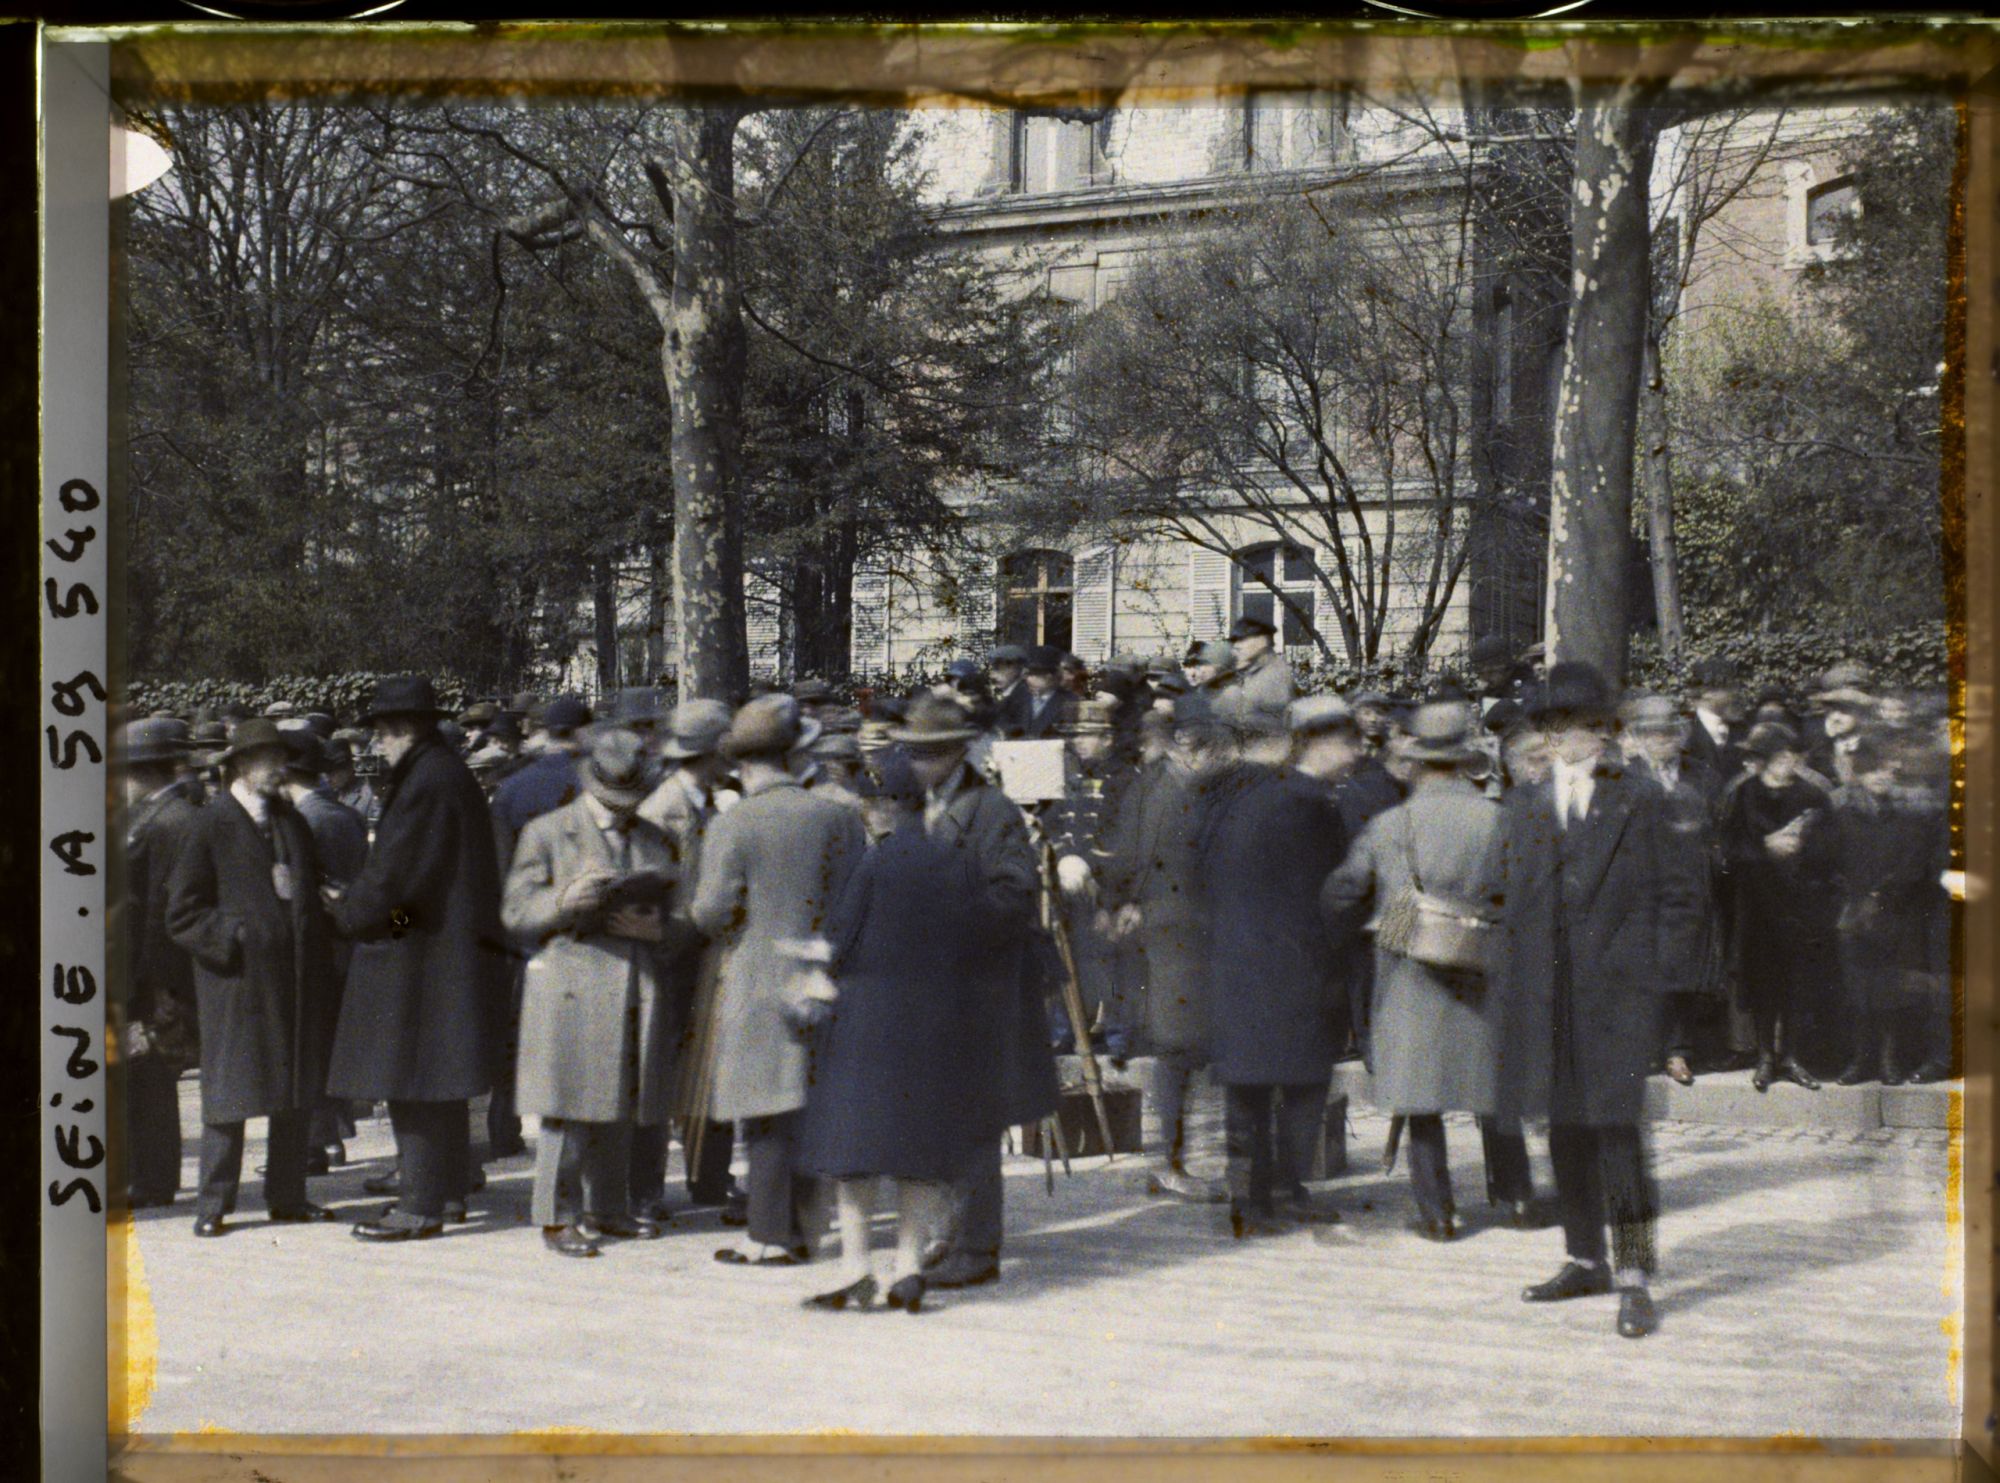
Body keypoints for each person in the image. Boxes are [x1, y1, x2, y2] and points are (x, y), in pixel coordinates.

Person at [1492, 662, 1699, 1341]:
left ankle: (1635, 1276)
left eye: (1572, 725)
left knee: (1618, 1139)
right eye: (1549, 725)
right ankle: (1585, 1257)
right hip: (1545, 1004)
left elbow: (1679, 901)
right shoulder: (1523, 805)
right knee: (1565, 1134)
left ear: (1603, 731)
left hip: (1618, 999)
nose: (1559, 738)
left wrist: (1660, 1001)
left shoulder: (1640, 798)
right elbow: (1505, 903)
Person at [795, 754, 993, 1314]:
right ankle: (908, 1267)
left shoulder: (876, 862)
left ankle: (856, 1268)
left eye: (869, 801)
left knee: (854, 1150)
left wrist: (810, 965)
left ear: (885, 807)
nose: (864, 810)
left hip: (868, 1021)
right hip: (936, 1023)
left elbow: (840, 938)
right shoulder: (955, 860)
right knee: (918, 1150)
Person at [324, 676, 512, 1242]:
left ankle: (420, 1205)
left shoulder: (425, 781)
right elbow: (432, 888)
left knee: (412, 1080)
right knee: (439, 1080)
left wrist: (356, 917)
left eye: (379, 733)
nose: (374, 746)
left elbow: (402, 886)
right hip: (444, 942)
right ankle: (447, 1192)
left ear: (401, 729)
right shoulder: (444, 773)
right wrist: (389, 918)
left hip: (424, 952)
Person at [1322, 701, 1519, 1240]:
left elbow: (1344, 890)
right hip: (1483, 960)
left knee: (1421, 1091)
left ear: (1417, 763)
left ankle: (1438, 1212)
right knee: (1493, 1081)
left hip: (1410, 957)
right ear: (1463, 761)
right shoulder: (1500, 818)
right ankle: (1516, 1195)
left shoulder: (1392, 824)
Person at [692, 696, 867, 1266]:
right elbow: (857, 902)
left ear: (740, 763)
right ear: (795, 753)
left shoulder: (733, 823)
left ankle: (768, 1235)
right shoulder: (838, 816)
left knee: (765, 1108)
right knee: (809, 1100)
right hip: (824, 972)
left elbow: (712, 912)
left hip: (758, 976)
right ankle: (804, 1224)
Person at [504, 727, 689, 1259]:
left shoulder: (654, 838)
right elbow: (516, 912)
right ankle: (557, 1216)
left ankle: (607, 1207)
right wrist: (564, 901)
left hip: (638, 982)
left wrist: (660, 930)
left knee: (623, 1098)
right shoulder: (547, 832)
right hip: (573, 988)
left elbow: (683, 915)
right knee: (567, 1105)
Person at [897, 694, 1061, 1289]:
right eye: (914, 754)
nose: (921, 765)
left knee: (971, 1119)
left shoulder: (993, 811)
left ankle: (975, 1248)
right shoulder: (914, 807)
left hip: (977, 990)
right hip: (924, 987)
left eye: (933, 754)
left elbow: (1015, 895)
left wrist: (943, 911)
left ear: (960, 751)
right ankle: (950, 1231)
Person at [165, 719, 339, 1236]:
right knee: (229, 1095)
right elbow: (182, 913)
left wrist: (389, 921)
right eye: (268, 758)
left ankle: (287, 1196)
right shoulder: (209, 823)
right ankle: (213, 1205)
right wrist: (236, 935)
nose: (279, 767)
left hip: (296, 980)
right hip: (237, 984)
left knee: (293, 1091)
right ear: (239, 766)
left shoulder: (292, 821)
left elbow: (314, 891)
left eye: (282, 758)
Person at [1201, 697, 1354, 1236]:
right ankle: (1288, 1190)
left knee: (1246, 1087)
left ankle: (1246, 1196)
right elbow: (1333, 892)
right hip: (1295, 962)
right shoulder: (1306, 803)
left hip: (1231, 959)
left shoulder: (1216, 800)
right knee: (1304, 1083)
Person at [1101, 691, 1236, 1202]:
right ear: (1190, 746)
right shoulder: (1173, 790)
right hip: (1178, 933)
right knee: (1178, 1050)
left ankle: (1172, 1160)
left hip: (1177, 931)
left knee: (1182, 1048)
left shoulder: (1158, 784)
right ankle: (1171, 1164)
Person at [636, 699, 743, 1220]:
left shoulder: (710, 802)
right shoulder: (663, 811)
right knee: (659, 1074)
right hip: (669, 957)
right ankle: (646, 1191)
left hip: (702, 955)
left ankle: (710, 1178)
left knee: (711, 1072)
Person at [113, 719, 203, 1210]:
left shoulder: (157, 822)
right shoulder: (175, 815)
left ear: (138, 772)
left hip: (151, 974)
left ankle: (153, 1179)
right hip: (161, 971)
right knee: (151, 1078)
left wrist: (131, 985)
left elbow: (146, 913)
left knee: (147, 1077)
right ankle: (153, 1175)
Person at [1720, 721, 1838, 1090]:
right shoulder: (1744, 794)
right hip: (1757, 904)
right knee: (1760, 981)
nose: (1782, 763)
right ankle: (1765, 1058)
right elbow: (1729, 849)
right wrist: (1765, 849)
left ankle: (1791, 1056)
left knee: (1796, 981)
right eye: (1765, 758)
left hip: (1800, 905)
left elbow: (1831, 853)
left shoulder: (1812, 796)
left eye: (1786, 756)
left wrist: (1803, 851)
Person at [1620, 695, 1727, 1087]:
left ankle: (1678, 1050)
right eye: (1651, 733)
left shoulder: (1703, 776)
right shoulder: (1623, 777)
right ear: (1638, 737)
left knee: (1684, 970)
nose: (1660, 739)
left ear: (1679, 735)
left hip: (1690, 886)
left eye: (1667, 732)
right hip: (1641, 889)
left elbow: (1718, 831)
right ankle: (1645, 1049)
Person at [278, 730, 369, 1171]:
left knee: (309, 1048)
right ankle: (331, 1137)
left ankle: (315, 1144)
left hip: (317, 946)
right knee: (332, 1045)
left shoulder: (301, 822)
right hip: (351, 944)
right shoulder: (347, 815)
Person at [490, 694, 594, 866]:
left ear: (547, 733)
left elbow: (501, 860)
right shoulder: (601, 784)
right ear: (584, 732)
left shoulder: (510, 786)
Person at [1223, 614, 1295, 732]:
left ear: (1262, 641)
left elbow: (1276, 723)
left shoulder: (1274, 673)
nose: (1236, 646)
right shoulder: (1254, 671)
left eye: (1242, 640)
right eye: (1235, 642)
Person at [998, 645, 1076, 739]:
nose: (1027, 679)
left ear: (1050, 676)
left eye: (1033, 674)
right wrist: (1013, 732)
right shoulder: (1020, 694)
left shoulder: (1069, 701)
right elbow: (1000, 716)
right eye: (1027, 674)